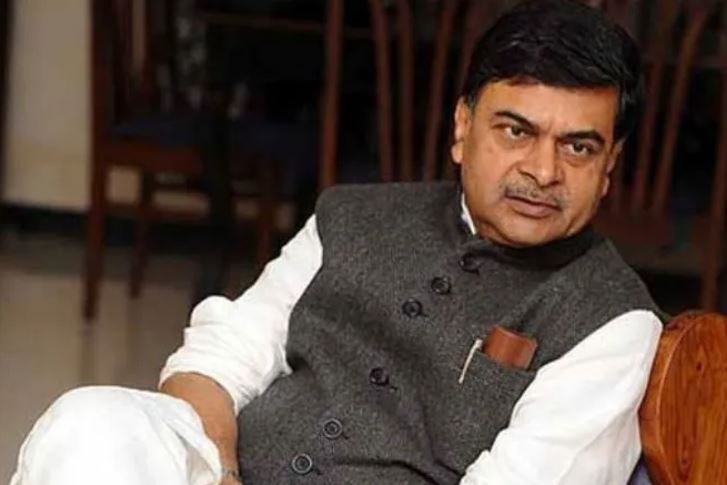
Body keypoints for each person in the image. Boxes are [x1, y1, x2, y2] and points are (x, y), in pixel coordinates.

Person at [10, 0, 663, 484]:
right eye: (516, 131)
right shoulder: (353, 216)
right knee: (88, 420)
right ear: (463, 128)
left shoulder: (612, 322)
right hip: (230, 473)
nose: (543, 171)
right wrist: (222, 472)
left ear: (608, 167)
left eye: (578, 147)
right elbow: (222, 358)